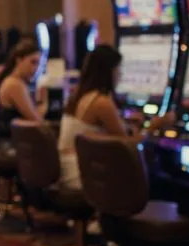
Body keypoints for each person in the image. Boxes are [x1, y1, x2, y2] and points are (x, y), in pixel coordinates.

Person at [58, 44, 173, 190]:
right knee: (160, 176)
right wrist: (154, 126)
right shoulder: (101, 101)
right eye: (119, 69)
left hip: (69, 170)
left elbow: (96, 128)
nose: (121, 74)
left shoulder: (80, 95)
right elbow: (130, 146)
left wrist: (125, 121)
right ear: (109, 71)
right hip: (81, 176)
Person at [0, 39, 45, 139]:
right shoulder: (15, 84)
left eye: (38, 64)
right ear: (19, 60)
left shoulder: (14, 80)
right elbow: (38, 121)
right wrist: (43, 102)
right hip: (11, 146)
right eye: (33, 62)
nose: (36, 68)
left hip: (15, 143)